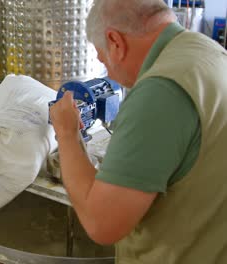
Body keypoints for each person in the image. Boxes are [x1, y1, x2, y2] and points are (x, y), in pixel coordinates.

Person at [49, 0, 227, 263]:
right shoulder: (206, 51)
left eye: (103, 60)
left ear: (115, 42)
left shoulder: (159, 92)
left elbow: (102, 224)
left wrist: (66, 133)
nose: (108, 72)